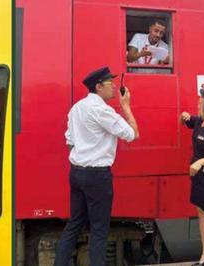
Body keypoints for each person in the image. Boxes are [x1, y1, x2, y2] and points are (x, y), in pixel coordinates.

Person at [54, 66, 139, 266]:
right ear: (99, 86)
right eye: (110, 83)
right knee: (99, 231)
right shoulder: (102, 110)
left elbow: (69, 141)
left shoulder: (77, 108)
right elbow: (132, 134)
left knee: (74, 224)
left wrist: (83, 158)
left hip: (76, 173)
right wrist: (126, 106)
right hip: (97, 177)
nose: (114, 87)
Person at [180, 86, 204, 266]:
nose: (198, 100)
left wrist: (201, 162)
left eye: (200, 98)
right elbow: (190, 122)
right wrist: (185, 117)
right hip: (199, 179)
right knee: (202, 214)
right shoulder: (201, 120)